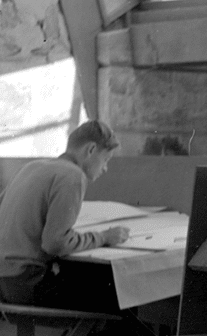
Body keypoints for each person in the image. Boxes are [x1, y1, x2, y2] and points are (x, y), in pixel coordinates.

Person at [0, 120, 130, 307]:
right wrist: (103, 237)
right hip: (27, 282)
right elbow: (55, 243)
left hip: (5, 283)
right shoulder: (72, 175)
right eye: (106, 159)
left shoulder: (31, 167)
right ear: (91, 150)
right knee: (119, 293)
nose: (105, 168)